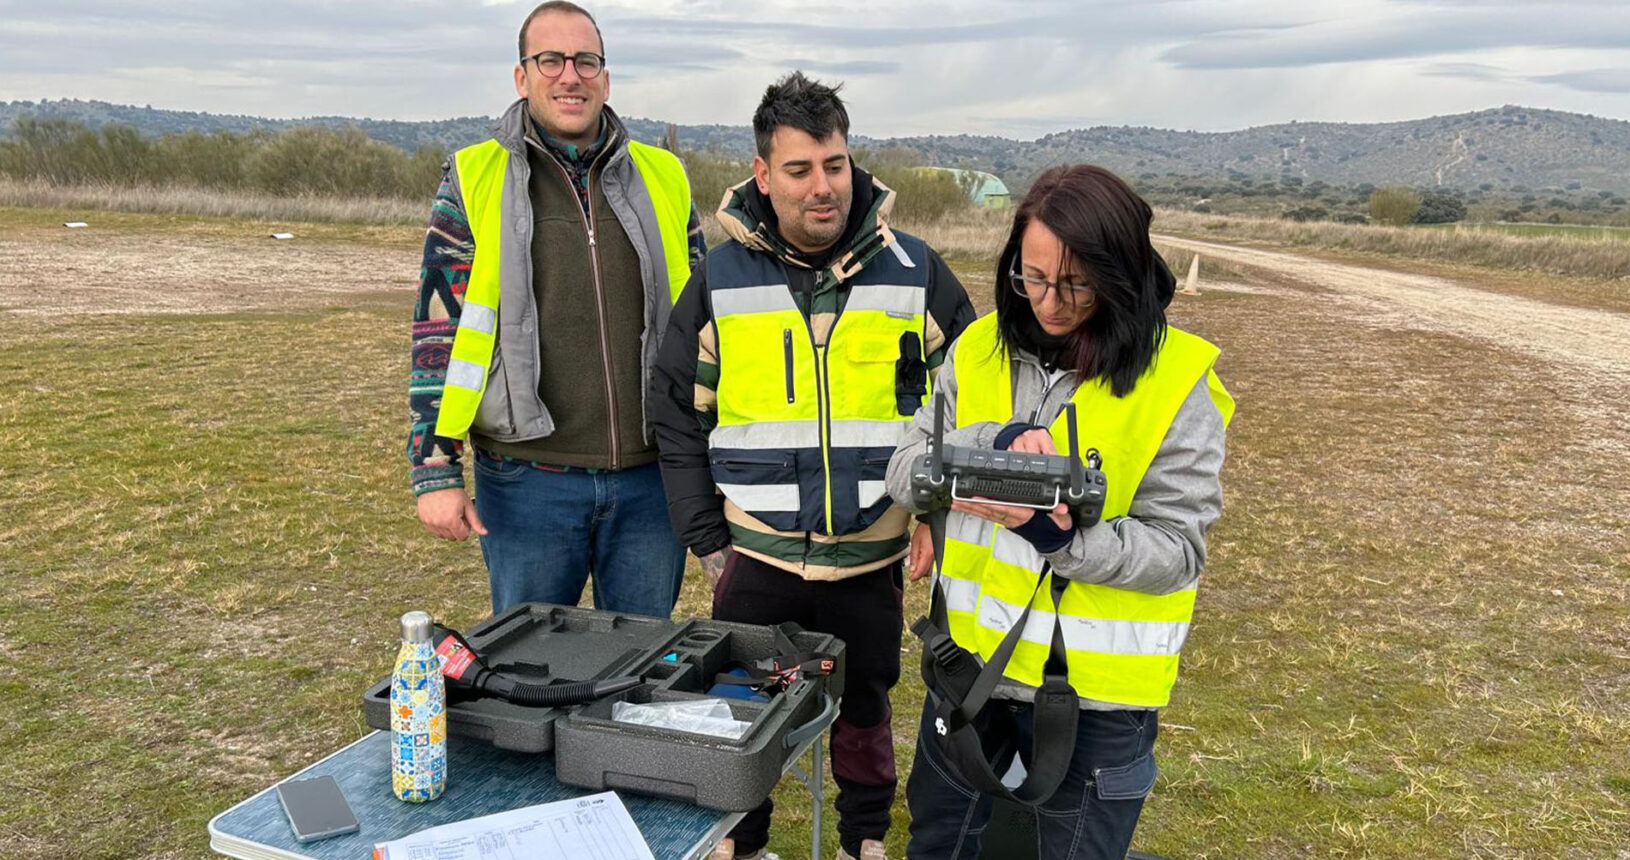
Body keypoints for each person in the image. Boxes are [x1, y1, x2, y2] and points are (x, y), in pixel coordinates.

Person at [649, 72, 975, 860]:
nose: (822, 187)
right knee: (743, 707)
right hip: (756, 554)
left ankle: (864, 840)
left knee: (866, 706)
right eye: (799, 170)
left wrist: (935, 514)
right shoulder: (721, 281)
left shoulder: (917, 272)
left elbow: (971, 404)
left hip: (872, 558)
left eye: (833, 165)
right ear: (763, 175)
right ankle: (742, 840)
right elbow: (675, 411)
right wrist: (708, 538)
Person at [885, 165, 1235, 859]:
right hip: (968, 678)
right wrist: (993, 449)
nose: (1048, 302)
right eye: (1031, 277)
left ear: (1121, 272)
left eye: (1074, 284)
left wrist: (1065, 539)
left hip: (1095, 709)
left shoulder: (1177, 383)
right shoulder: (978, 349)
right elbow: (904, 471)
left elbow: (1178, 551)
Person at [407, 1, 704, 617]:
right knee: (529, 674)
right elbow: (440, 324)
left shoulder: (666, 176)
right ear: (522, 76)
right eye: (551, 60)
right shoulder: (473, 176)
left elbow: (707, 327)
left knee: (639, 675)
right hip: (525, 481)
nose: (570, 75)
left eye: (586, 60)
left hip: (653, 480)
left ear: (605, 75)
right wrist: (435, 466)